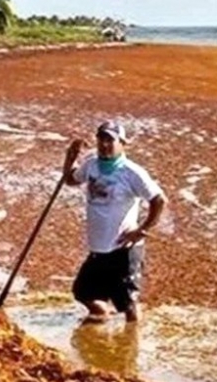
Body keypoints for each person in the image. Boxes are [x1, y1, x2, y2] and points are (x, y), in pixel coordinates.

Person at [62, 120, 166, 323]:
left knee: (128, 304)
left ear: (122, 143)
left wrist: (142, 229)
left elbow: (159, 199)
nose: (104, 145)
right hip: (98, 248)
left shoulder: (132, 172)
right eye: (101, 139)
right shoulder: (91, 165)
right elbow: (71, 180)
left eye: (110, 140)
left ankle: (131, 344)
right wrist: (69, 158)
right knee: (83, 292)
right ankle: (102, 315)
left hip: (123, 249)